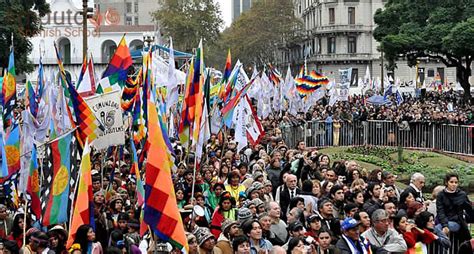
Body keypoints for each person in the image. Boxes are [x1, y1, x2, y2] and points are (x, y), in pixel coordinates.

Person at [435, 172, 473, 242]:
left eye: (456, 182)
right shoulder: (440, 195)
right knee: (436, 228)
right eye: (451, 182)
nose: (454, 184)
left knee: (438, 228)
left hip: (457, 222)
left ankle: (446, 244)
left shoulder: (462, 195)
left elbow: (469, 209)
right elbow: (440, 211)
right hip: (444, 221)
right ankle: (445, 245)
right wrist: (445, 225)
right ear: (446, 182)